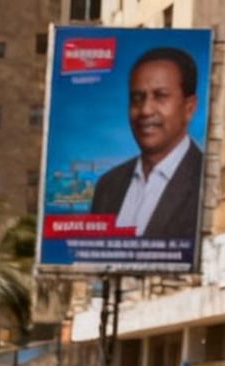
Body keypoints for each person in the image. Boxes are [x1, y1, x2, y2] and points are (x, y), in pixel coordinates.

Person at [88, 47, 205, 244]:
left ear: (189, 107)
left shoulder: (205, 180)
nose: (145, 110)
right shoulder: (108, 185)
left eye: (160, 96)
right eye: (137, 98)